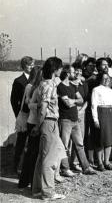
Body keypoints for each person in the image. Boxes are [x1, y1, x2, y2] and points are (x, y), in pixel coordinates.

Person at [32, 57, 66, 200]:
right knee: (50, 159)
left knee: (42, 157)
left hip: (46, 123)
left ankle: (38, 189)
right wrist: (38, 125)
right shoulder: (50, 85)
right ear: (55, 69)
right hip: (49, 122)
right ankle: (48, 192)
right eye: (60, 67)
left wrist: (38, 125)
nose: (61, 70)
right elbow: (43, 108)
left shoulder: (42, 84)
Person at [57, 65, 96, 176]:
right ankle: (65, 169)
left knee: (79, 144)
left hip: (75, 120)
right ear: (68, 73)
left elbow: (81, 100)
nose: (76, 74)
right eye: (74, 72)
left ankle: (86, 167)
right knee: (64, 146)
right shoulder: (60, 87)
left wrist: (72, 100)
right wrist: (74, 101)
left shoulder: (73, 86)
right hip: (65, 120)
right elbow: (67, 103)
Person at [18, 66, 42, 189]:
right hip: (35, 122)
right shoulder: (34, 88)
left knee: (31, 153)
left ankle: (25, 181)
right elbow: (28, 104)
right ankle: (32, 182)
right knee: (34, 153)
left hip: (31, 121)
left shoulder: (30, 87)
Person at [91, 72, 112, 171]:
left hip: (110, 114)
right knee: (101, 139)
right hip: (101, 113)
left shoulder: (111, 91)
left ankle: (106, 161)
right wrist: (95, 119)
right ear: (100, 79)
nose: (106, 80)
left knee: (109, 140)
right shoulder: (96, 90)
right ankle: (99, 162)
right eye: (104, 78)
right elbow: (93, 105)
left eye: (107, 78)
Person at [11, 56, 34, 172]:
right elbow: (14, 100)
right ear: (24, 66)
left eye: (33, 65)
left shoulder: (35, 80)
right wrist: (18, 115)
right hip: (24, 115)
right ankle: (16, 166)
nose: (32, 67)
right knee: (21, 141)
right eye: (30, 65)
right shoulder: (19, 81)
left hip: (33, 115)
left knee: (31, 142)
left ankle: (27, 166)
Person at [70, 62, 89, 171]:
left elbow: (86, 100)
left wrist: (81, 111)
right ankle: (66, 163)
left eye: (80, 71)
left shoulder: (84, 84)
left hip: (81, 112)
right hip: (70, 111)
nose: (78, 72)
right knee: (69, 140)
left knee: (79, 138)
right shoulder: (68, 84)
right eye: (76, 70)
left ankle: (76, 162)